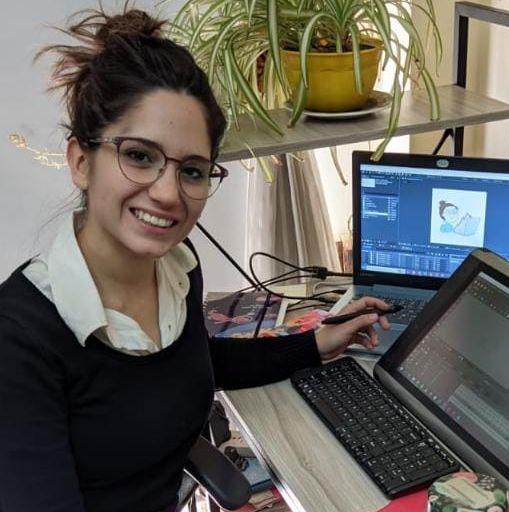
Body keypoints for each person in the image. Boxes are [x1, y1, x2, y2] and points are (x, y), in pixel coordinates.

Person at [0, 6, 390, 512]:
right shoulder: (20, 340)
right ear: (80, 161)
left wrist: (315, 344)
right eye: (139, 156)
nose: (168, 193)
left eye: (191, 170)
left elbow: (196, 365)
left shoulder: (177, 269)